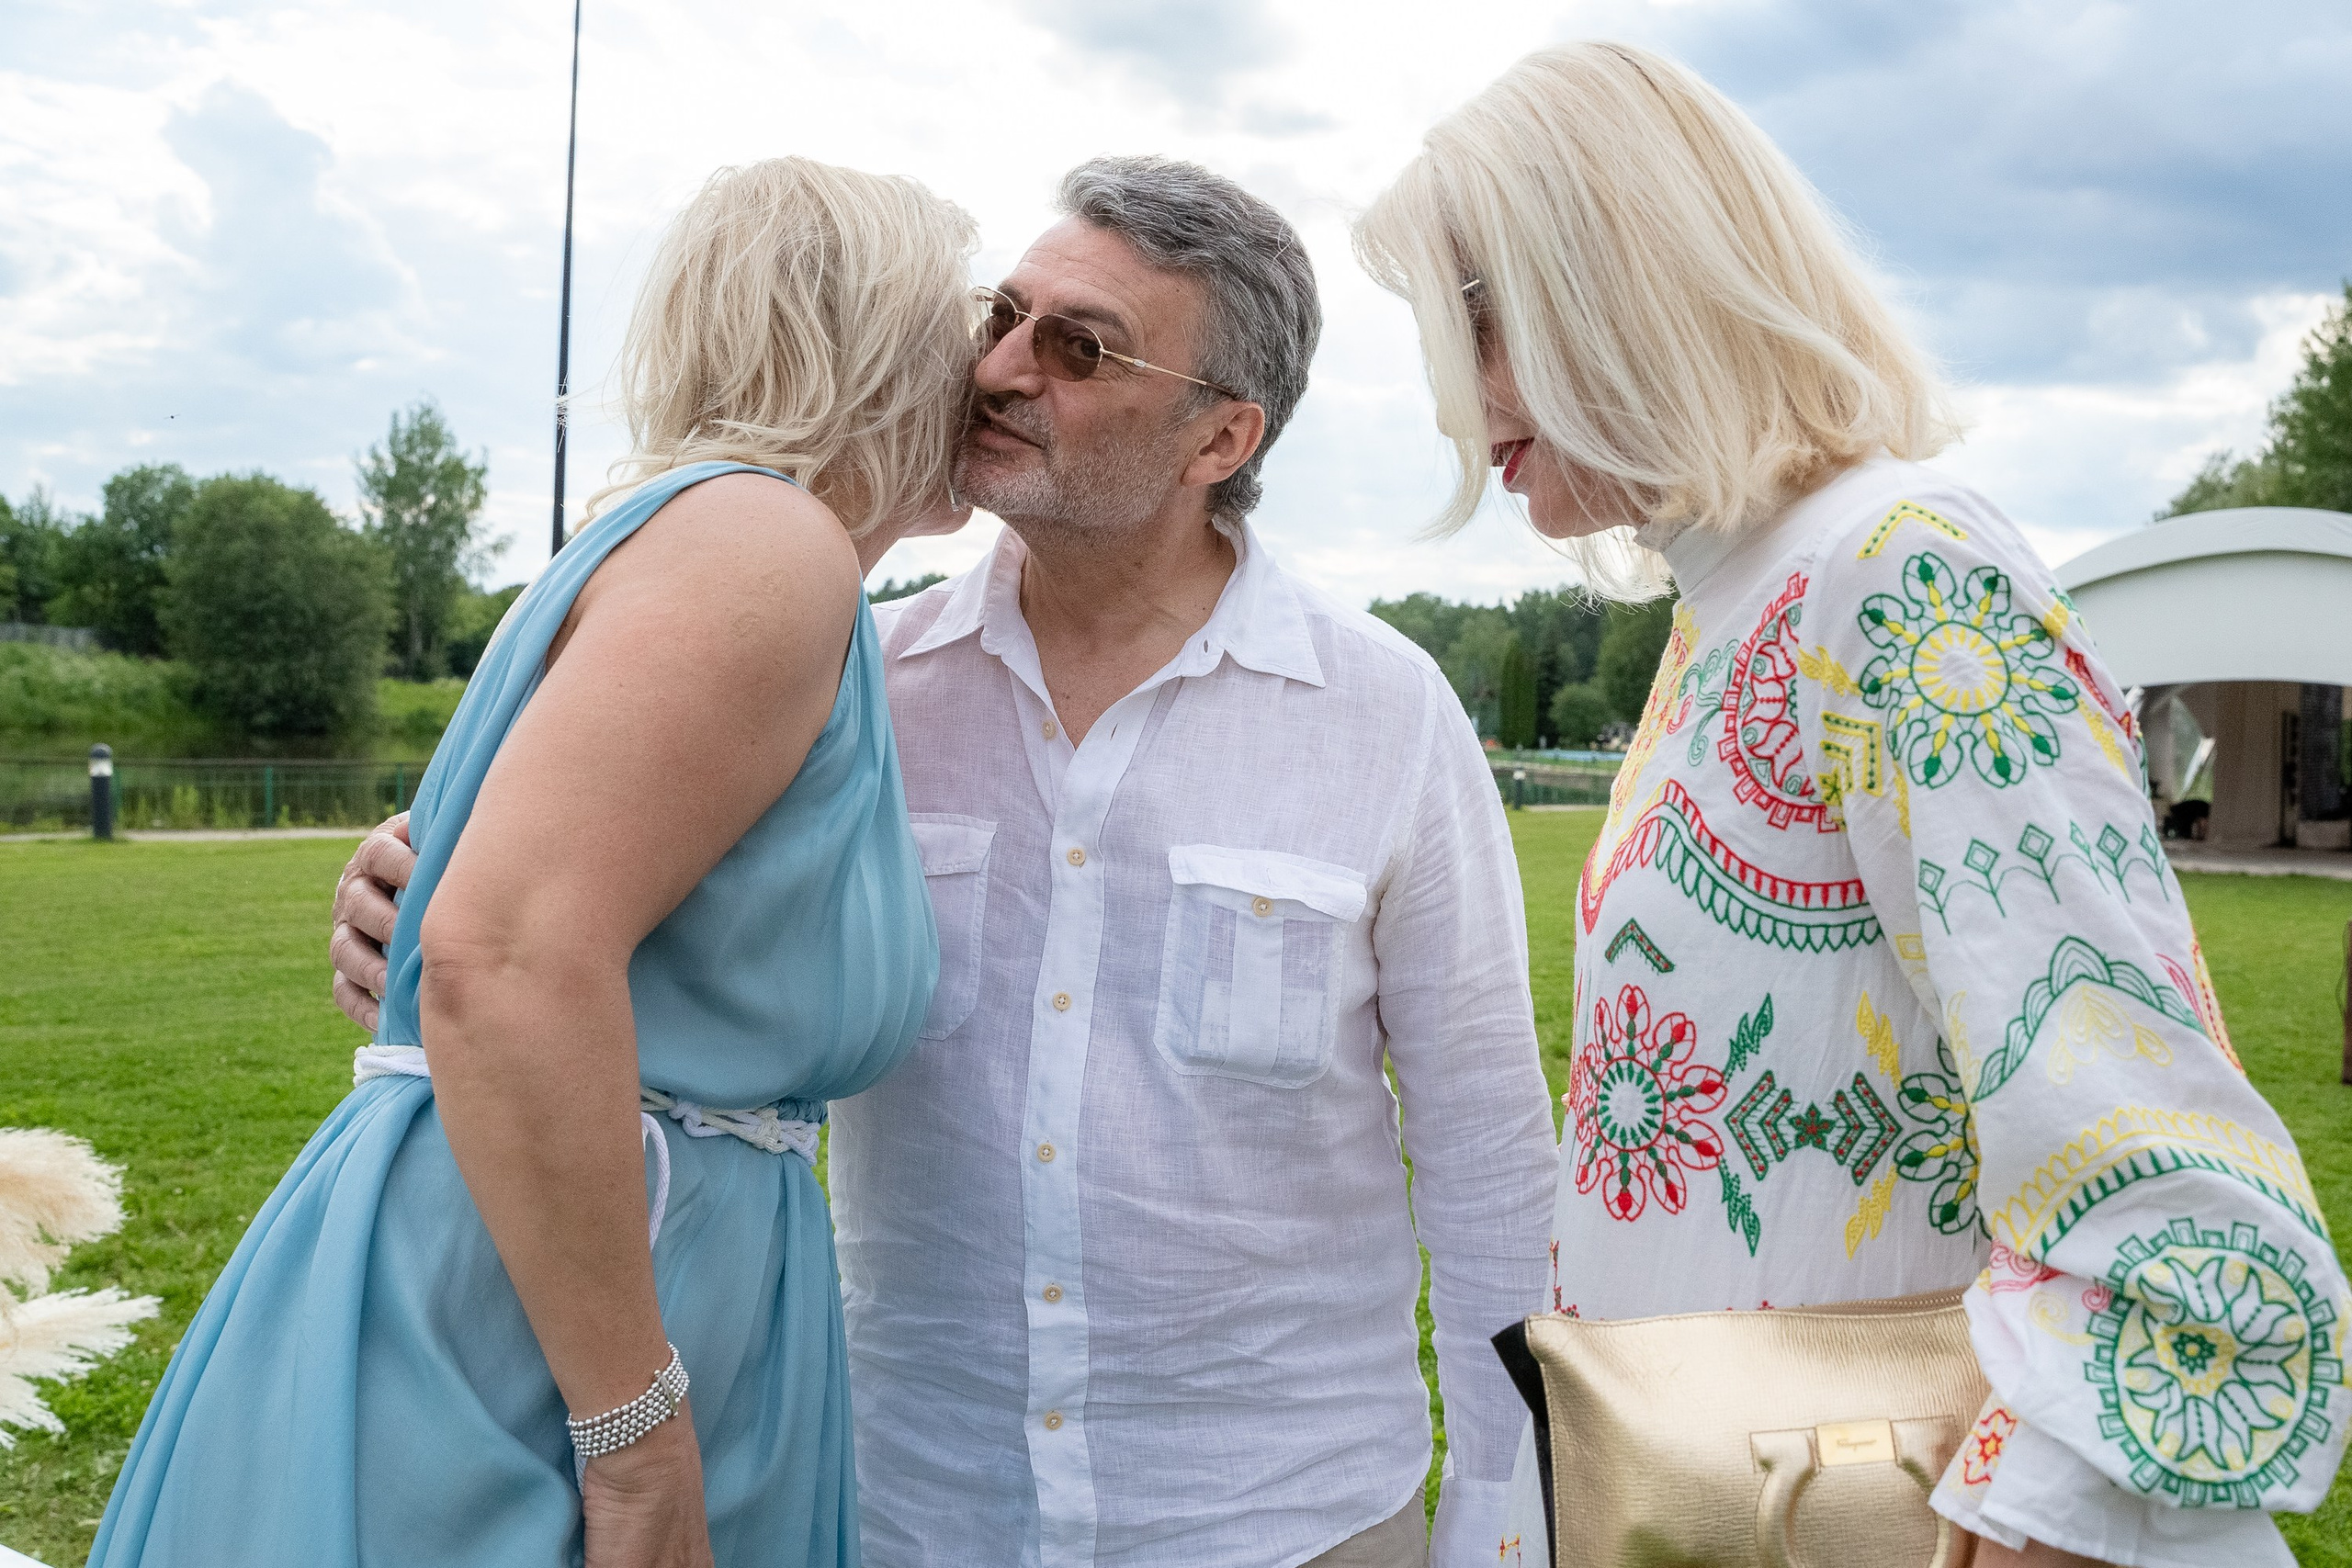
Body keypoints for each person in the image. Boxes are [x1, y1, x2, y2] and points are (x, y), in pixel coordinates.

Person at [334, 155, 1558, 1568]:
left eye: (1079, 346)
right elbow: (558, 923)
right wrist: (409, 887)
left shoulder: (1385, 714)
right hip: (907, 1503)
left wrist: (1498, 1522)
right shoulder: (851, 678)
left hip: (1279, 1514)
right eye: (1003, 314)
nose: (999, 368)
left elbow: (1485, 1161)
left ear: (1220, 440)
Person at [1354, 41, 2349, 1568]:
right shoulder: (1732, 600)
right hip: (1741, 1500)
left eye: (1460, 332)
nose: (1447, 409)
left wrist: (2033, 1527)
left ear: (1600, 285)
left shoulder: (1899, 570)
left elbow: (2141, 1158)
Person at [97, 157, 977, 1568]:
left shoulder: (707, 549)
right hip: (542, 1350)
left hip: (596, 1297)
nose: (995, 364)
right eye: (974, 315)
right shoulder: (765, 543)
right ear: (880, 338)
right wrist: (635, 1446)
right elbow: (504, 954)